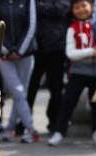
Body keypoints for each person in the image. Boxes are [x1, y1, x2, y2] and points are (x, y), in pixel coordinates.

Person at [47, 0, 96, 146]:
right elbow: (70, 53)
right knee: (68, 102)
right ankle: (59, 132)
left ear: (92, 6)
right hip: (78, 72)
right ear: (72, 10)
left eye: (84, 5)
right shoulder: (72, 28)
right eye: (77, 7)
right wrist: (91, 52)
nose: (81, 9)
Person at [0, 0, 38, 144]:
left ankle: (10, 128)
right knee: (18, 91)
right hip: (4, 56)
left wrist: (20, 50)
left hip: (26, 54)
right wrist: (6, 50)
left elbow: (31, 26)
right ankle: (31, 128)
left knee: (21, 93)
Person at [25, 0, 70, 134]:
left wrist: (38, 6)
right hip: (34, 47)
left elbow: (61, 9)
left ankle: (54, 122)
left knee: (56, 88)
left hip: (56, 48)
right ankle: (24, 121)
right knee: (30, 87)